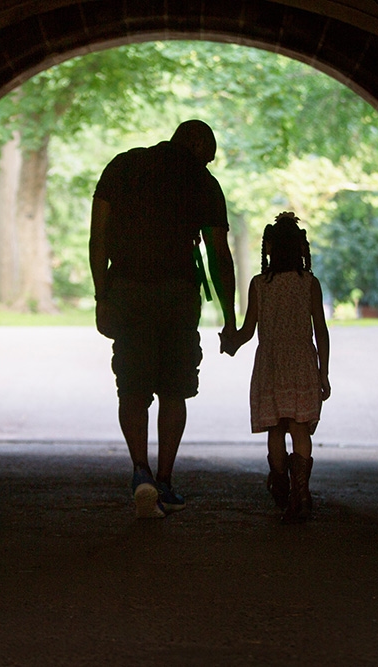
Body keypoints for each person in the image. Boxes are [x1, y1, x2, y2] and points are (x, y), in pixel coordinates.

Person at [90, 120, 237, 519]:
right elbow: (218, 254)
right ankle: (166, 483)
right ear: (196, 143)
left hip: (127, 289)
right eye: (207, 155)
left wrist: (102, 295)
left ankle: (141, 473)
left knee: (132, 387)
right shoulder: (203, 183)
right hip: (178, 293)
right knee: (175, 389)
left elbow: (98, 237)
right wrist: (231, 317)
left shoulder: (121, 166)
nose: (208, 163)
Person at [221, 212, 331, 523]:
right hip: (302, 362)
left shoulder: (259, 285)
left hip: (269, 363)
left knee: (276, 429)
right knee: (299, 427)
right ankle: (302, 491)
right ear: (301, 249)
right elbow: (320, 329)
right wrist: (323, 371)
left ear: (268, 248)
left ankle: (280, 483)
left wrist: (230, 342)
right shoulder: (309, 284)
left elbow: (248, 331)